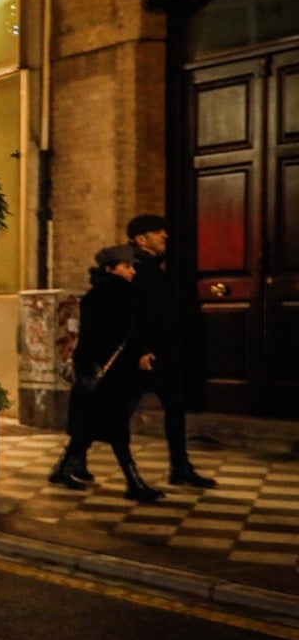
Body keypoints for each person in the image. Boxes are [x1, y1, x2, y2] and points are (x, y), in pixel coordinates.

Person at [47, 245, 162, 502]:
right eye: (126, 266)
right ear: (110, 269)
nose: (132, 271)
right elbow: (124, 333)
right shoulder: (120, 294)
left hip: (97, 369)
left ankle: (63, 469)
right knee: (115, 427)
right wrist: (140, 353)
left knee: (90, 424)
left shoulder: (97, 294)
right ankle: (133, 483)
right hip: (110, 371)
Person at [126, 213, 217, 488]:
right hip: (144, 355)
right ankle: (73, 459)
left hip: (164, 353)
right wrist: (140, 351)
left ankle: (180, 467)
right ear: (141, 239)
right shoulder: (134, 270)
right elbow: (130, 315)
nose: (165, 236)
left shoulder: (155, 268)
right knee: (118, 410)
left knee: (175, 406)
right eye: (158, 232)